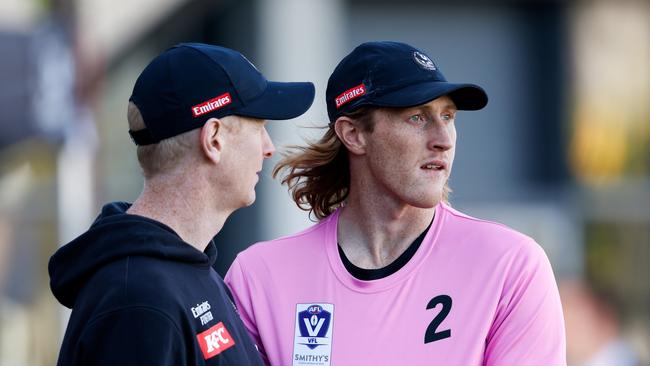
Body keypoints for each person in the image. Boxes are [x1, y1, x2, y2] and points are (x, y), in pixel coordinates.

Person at [225, 41, 566, 365]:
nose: (443, 140)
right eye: (417, 117)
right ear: (354, 135)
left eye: (448, 117)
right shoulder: (259, 276)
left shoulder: (511, 265)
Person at [48, 43, 315, 365]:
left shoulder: (184, 270)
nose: (269, 148)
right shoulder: (138, 302)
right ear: (214, 139)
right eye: (259, 127)